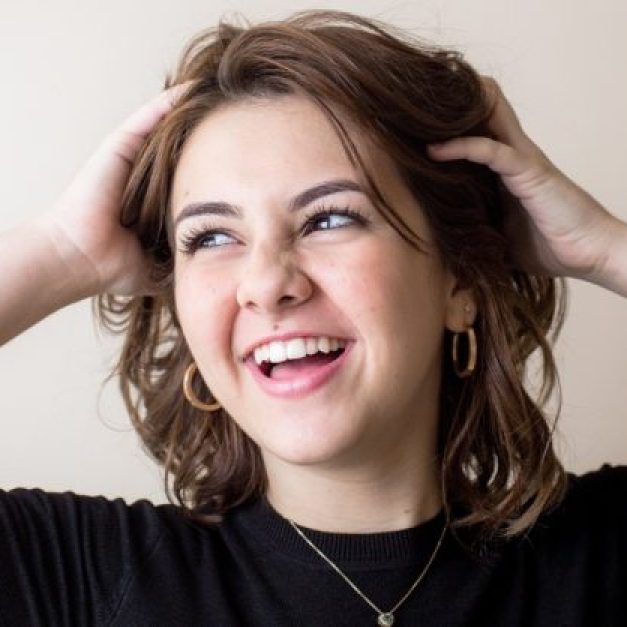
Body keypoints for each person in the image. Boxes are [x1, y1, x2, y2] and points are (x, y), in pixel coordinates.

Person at [1, 9, 626, 626]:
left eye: (329, 219)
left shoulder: (600, 563)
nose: (267, 285)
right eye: (211, 236)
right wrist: (64, 250)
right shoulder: (77, 577)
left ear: (458, 280)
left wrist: (603, 247)